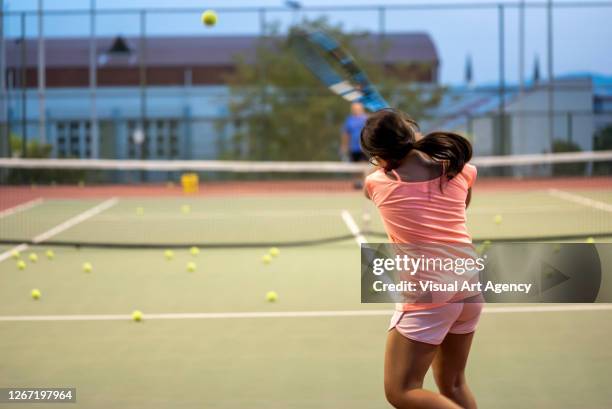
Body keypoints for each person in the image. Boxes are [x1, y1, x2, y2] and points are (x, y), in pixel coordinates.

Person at [360, 108, 481, 409]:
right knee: (453, 384)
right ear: (410, 132)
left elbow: (383, 172)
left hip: (429, 297)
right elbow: (462, 203)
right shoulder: (461, 171)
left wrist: (404, 146)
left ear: (378, 154)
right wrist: (416, 142)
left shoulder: (378, 184)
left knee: (401, 391)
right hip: (469, 289)